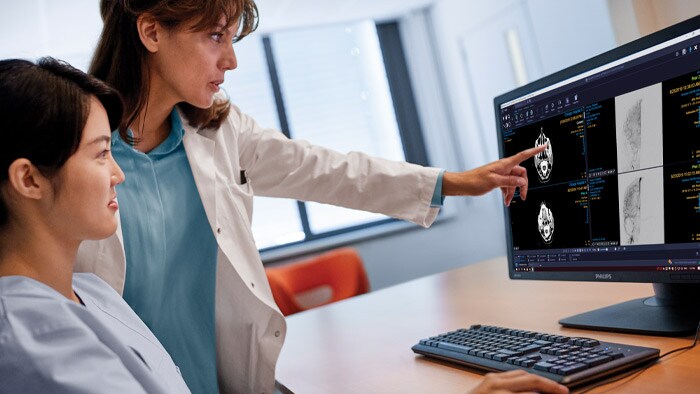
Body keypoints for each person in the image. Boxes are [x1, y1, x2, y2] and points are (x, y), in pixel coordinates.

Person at [81, 1, 551, 393]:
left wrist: (450, 181)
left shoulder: (219, 132)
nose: (231, 60)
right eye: (216, 37)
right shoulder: (73, 155)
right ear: (151, 32)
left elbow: (327, 170)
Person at [0, 57, 190, 393]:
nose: (118, 174)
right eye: (102, 153)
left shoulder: (92, 290)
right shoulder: (27, 335)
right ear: (29, 179)